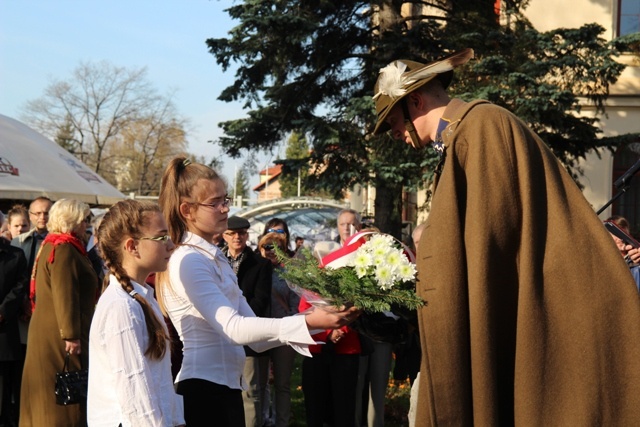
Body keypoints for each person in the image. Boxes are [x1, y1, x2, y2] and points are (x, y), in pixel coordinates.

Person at [372, 48, 640, 424]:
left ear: (415, 100)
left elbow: (487, 249)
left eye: (394, 122)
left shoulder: (479, 129)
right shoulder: (464, 135)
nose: (395, 133)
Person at [154, 157, 359, 427]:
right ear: (187, 210)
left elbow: (256, 339)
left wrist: (318, 317)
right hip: (204, 393)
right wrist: (311, 321)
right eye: (215, 203)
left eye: (225, 199)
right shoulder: (191, 259)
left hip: (224, 390)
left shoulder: (211, 256)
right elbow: (234, 328)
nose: (225, 209)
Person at [87, 199, 184, 427]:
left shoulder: (142, 298)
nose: (171, 245)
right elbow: (134, 393)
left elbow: (159, 382)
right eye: (161, 237)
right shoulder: (121, 307)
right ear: (132, 247)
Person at [19, 198, 98, 426]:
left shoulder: (54, 244)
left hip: (50, 330)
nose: (87, 225)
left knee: (47, 391)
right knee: (62, 394)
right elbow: (65, 294)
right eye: (84, 220)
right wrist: (71, 335)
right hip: (60, 335)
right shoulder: (64, 249)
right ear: (71, 220)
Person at [222, 215, 273, 427]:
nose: (237, 237)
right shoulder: (214, 260)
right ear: (224, 235)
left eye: (241, 233)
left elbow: (261, 300)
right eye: (232, 233)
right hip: (220, 334)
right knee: (223, 390)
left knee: (250, 392)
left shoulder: (261, 264)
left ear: (247, 234)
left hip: (248, 333)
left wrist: (237, 321)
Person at [259, 232, 301, 427]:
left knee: (282, 383)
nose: (270, 252)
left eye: (276, 248)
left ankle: (281, 422)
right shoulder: (255, 270)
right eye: (267, 247)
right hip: (259, 332)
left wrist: (291, 324)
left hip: (284, 332)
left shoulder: (290, 273)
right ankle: (262, 420)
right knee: (260, 382)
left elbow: (296, 302)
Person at [0, 237, 28, 427]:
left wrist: (3, 311)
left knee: (4, 387)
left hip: (5, 331)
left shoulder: (15, 255)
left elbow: (20, 285)